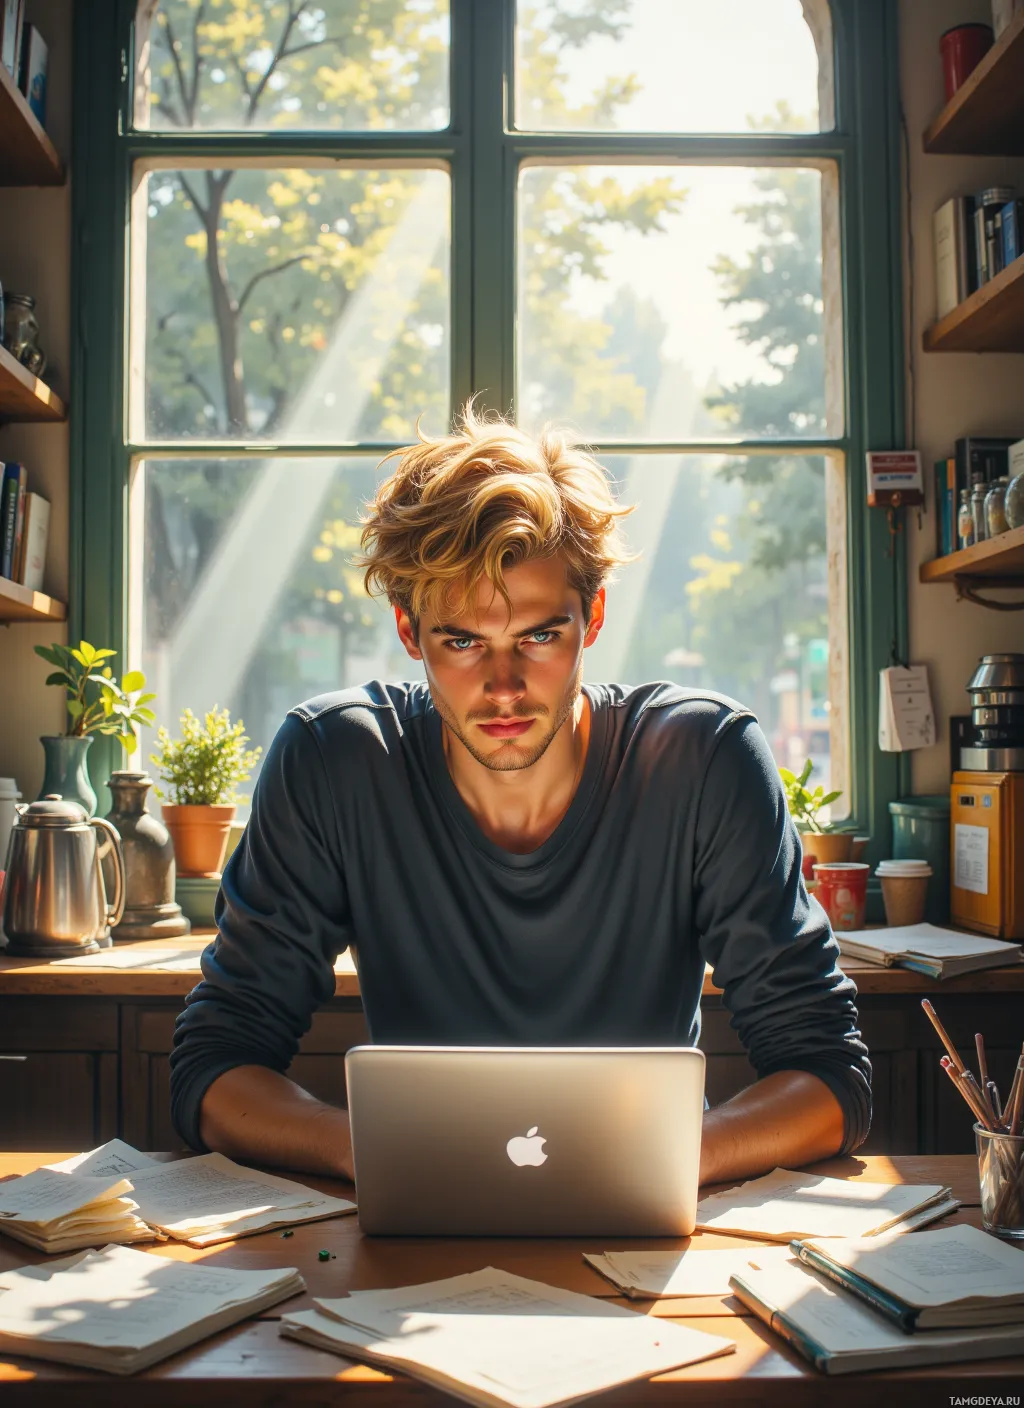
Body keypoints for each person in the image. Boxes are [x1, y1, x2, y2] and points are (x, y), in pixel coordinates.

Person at [170, 406, 871, 1185]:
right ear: (409, 631)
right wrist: (376, 1154)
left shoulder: (703, 761)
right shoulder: (333, 761)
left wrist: (658, 1163)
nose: (503, 688)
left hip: (643, 1237)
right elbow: (217, 1063)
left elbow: (828, 1075)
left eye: (539, 636)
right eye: (462, 642)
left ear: (592, 616)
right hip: (412, 1240)